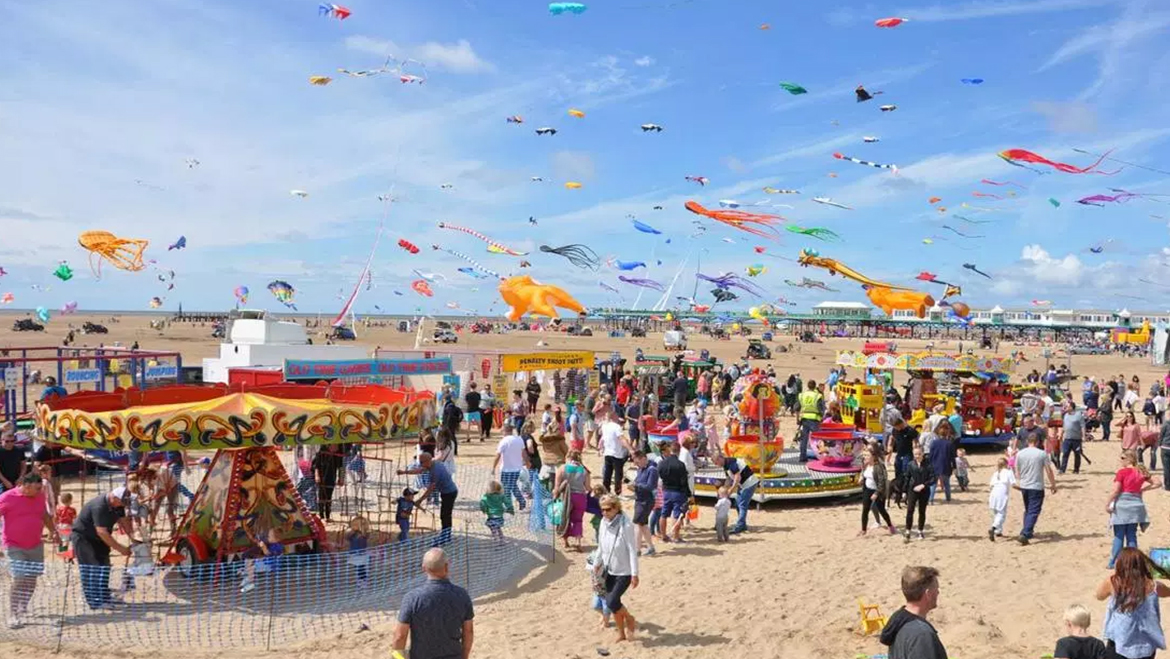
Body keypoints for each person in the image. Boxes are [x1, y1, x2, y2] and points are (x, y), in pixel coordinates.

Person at [0, 472, 59, 628]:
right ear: (26, 486)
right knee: (19, 578)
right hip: (13, 545)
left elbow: (44, 515)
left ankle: (22, 606)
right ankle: (13, 614)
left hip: (35, 544)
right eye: (37, 488)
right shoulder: (7, 497)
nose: (40, 491)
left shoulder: (39, 497)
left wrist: (53, 531)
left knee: (32, 578)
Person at [392, 548, 475, 659]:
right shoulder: (462, 595)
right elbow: (468, 631)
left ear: (424, 568)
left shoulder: (412, 598)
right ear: (447, 567)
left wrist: (397, 658)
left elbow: (400, 637)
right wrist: (464, 657)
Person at [1096, 548, 1169, 659]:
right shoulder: (1154, 586)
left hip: (1119, 643)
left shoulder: (1113, 582)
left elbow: (1099, 596)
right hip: (1146, 646)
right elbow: (1168, 592)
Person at [71, 486, 132, 610]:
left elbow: (124, 520)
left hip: (99, 539)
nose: (123, 505)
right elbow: (102, 532)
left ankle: (104, 596)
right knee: (92, 568)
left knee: (104, 565)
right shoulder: (99, 506)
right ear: (114, 498)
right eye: (121, 502)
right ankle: (95, 601)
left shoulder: (117, 505)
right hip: (84, 538)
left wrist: (133, 537)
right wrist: (121, 549)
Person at [594, 494, 639, 644]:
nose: (604, 513)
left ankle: (630, 619)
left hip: (624, 572)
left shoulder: (626, 525)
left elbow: (632, 550)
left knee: (612, 601)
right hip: (609, 569)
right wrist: (596, 563)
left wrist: (635, 574)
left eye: (608, 509)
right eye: (602, 510)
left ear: (616, 508)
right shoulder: (603, 522)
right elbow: (601, 545)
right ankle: (621, 633)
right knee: (612, 603)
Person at [880, 565, 949, 659]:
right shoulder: (921, 634)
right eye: (936, 588)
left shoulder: (899, 622)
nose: (938, 592)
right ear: (928, 594)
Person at [1106, 450, 1158, 569]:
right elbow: (1157, 483)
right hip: (1136, 505)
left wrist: (1107, 504)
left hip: (1123, 505)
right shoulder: (1140, 471)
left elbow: (1116, 491)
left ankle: (1114, 562)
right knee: (1131, 535)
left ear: (1129, 459)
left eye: (1122, 458)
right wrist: (1144, 489)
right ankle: (1133, 562)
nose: (1121, 460)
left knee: (1119, 535)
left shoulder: (1122, 472)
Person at [399, 453, 459, 546]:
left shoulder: (436, 470)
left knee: (445, 515)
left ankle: (445, 537)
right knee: (445, 515)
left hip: (449, 493)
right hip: (445, 492)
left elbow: (430, 489)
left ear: (428, 461)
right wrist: (404, 472)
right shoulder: (432, 464)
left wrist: (420, 500)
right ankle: (445, 535)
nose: (421, 464)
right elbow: (419, 470)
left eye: (422, 462)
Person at [1014, 430, 1058, 545]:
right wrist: (1053, 484)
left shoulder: (1020, 453)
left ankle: (1027, 531)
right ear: (1038, 442)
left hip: (1024, 485)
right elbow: (1049, 471)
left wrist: (1020, 482)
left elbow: (1017, 472)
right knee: (1034, 510)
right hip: (1036, 485)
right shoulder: (1041, 454)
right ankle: (1025, 532)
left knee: (1028, 509)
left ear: (1027, 441)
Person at [554, 450, 591, 551]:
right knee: (578, 520)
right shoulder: (584, 470)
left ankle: (566, 542)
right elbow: (587, 487)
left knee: (565, 518)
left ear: (568, 457)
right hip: (580, 497)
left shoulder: (562, 468)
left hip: (566, 496)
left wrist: (555, 497)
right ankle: (578, 541)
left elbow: (556, 487)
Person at [657, 442, 690, 543]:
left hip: (666, 491)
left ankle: (663, 536)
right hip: (678, 492)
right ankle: (676, 536)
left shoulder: (661, 463)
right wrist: (689, 494)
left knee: (663, 514)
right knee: (677, 515)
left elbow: (661, 477)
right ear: (678, 451)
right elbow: (684, 482)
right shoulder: (680, 465)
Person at [717, 454, 758, 534]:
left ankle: (740, 526)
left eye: (716, 462)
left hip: (749, 483)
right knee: (737, 503)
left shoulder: (731, 463)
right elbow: (728, 479)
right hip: (743, 484)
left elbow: (737, 477)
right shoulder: (725, 465)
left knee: (742, 504)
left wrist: (731, 490)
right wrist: (725, 490)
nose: (716, 465)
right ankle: (742, 524)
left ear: (720, 459)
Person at [860, 444, 896, 537]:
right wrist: (861, 478)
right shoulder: (865, 465)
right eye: (865, 455)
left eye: (867, 455)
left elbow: (882, 482)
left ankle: (890, 525)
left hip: (878, 491)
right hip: (867, 490)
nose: (865, 457)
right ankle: (863, 530)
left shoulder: (878, 466)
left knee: (882, 510)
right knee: (865, 510)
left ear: (873, 456)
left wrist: (876, 493)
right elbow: (863, 474)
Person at [491, 422, 527, 512]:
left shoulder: (504, 441)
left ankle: (509, 506)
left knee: (507, 488)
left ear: (505, 431)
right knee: (513, 486)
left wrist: (493, 467)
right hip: (517, 468)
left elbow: (498, 455)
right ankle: (521, 501)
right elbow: (524, 453)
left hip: (507, 468)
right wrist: (527, 462)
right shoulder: (519, 439)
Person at [902, 445, 935, 542]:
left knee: (922, 511)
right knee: (910, 510)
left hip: (924, 491)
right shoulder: (910, 464)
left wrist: (923, 485)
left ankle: (920, 531)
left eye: (919, 454)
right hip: (912, 490)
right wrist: (904, 491)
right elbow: (907, 478)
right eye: (915, 454)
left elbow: (933, 478)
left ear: (923, 454)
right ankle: (908, 531)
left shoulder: (929, 464)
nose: (917, 456)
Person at [238, 526, 285, 594]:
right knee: (250, 560)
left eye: (269, 536)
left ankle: (251, 582)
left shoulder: (278, 546)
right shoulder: (271, 544)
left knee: (251, 567)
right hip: (265, 562)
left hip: (270, 566)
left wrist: (263, 547)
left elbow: (268, 553)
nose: (267, 537)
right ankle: (247, 576)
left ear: (276, 539)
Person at [630, 450, 658, 556]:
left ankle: (637, 550)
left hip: (646, 500)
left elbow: (650, 486)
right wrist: (633, 486)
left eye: (637, 462)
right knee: (643, 524)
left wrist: (636, 485)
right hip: (640, 499)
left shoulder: (652, 470)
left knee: (637, 523)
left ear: (643, 459)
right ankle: (650, 547)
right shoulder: (641, 469)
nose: (637, 465)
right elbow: (639, 482)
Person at [599, 412, 631, 495]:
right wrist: (630, 449)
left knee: (607, 473)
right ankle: (618, 492)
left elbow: (602, 437)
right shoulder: (616, 427)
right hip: (617, 453)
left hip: (607, 452)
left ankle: (606, 490)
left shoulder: (604, 426)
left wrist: (600, 448)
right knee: (618, 474)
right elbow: (621, 439)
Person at [988, 456, 1016, 541]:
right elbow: (1013, 484)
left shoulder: (996, 473)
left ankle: (998, 531)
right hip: (1002, 494)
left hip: (993, 494)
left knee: (994, 512)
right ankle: (994, 527)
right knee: (1001, 513)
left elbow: (991, 485)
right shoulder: (1008, 472)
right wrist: (1022, 489)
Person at [928, 422, 957, 503]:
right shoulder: (949, 444)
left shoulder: (934, 443)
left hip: (935, 466)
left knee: (933, 484)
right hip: (946, 466)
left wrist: (928, 465)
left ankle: (931, 499)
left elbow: (931, 455)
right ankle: (948, 498)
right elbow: (953, 457)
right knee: (947, 484)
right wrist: (954, 467)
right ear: (947, 433)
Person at [797, 379, 824, 463]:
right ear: (815, 386)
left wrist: (797, 419)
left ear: (807, 386)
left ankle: (802, 456)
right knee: (818, 439)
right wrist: (822, 416)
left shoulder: (802, 395)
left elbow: (797, 408)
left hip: (804, 418)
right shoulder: (818, 396)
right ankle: (820, 455)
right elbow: (820, 408)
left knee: (804, 439)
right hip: (815, 419)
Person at [1060, 401, 1086, 475]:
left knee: (1077, 454)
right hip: (1067, 438)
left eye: (1067, 406)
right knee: (1065, 454)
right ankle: (1062, 469)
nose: (1065, 408)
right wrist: (1061, 434)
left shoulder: (1079, 415)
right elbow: (1064, 426)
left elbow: (1083, 426)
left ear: (1071, 407)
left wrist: (1084, 436)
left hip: (1076, 439)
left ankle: (1076, 469)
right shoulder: (1065, 415)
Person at [346, 517, 370, 582]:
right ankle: (361, 578)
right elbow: (347, 537)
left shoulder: (363, 535)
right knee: (358, 567)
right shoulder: (352, 534)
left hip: (360, 554)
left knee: (361, 567)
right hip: (355, 553)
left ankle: (363, 580)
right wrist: (352, 532)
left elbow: (362, 544)